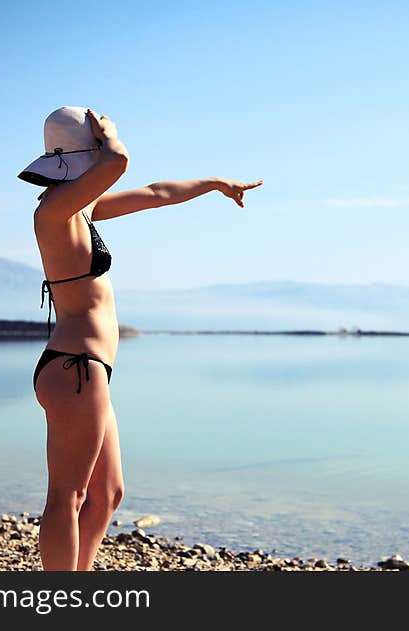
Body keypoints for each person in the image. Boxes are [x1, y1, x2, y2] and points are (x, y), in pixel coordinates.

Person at [17, 105, 262, 570]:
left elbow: (154, 193)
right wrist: (110, 133)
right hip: (74, 369)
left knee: (108, 493)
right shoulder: (53, 212)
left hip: (90, 374)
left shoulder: (79, 208)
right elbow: (118, 163)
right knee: (67, 497)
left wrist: (214, 184)